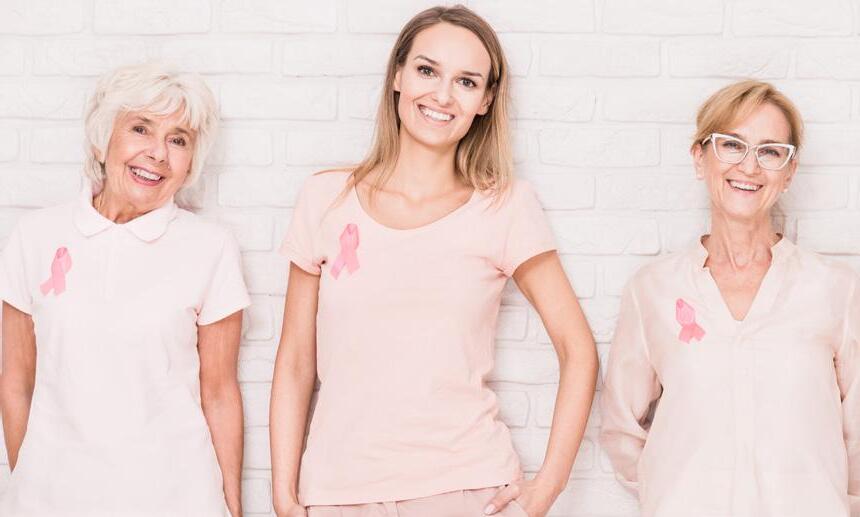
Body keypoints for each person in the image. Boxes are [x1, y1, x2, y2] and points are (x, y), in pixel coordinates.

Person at [269, 5, 598, 517]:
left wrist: (547, 488)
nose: (443, 95)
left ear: (485, 101)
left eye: (466, 82)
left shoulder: (505, 207)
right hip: (336, 493)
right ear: (397, 76)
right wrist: (284, 497)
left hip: (468, 488)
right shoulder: (325, 198)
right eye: (427, 70)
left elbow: (578, 349)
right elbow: (294, 361)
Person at [600, 80, 860, 517]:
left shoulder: (836, 289)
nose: (749, 166)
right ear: (699, 157)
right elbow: (621, 429)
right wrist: (672, 495)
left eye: (770, 151)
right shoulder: (653, 290)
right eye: (732, 145)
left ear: (790, 171)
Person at [0, 62, 250, 517]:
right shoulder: (34, 237)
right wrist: (29, 480)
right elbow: (16, 380)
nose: (158, 153)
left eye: (178, 140)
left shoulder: (210, 248)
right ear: (102, 139)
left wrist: (232, 505)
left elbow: (219, 391)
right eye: (141, 129)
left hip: (178, 500)